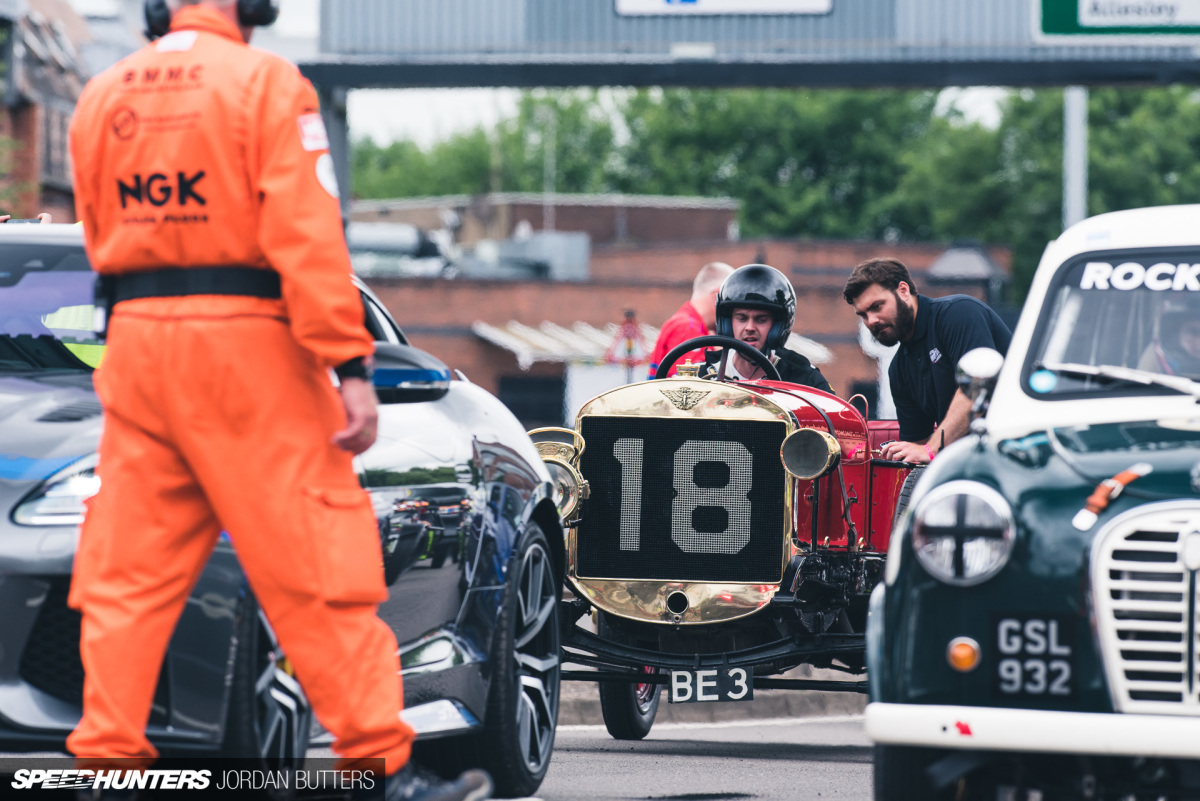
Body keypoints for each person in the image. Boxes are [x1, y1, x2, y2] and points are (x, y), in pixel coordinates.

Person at [67, 2, 490, 800]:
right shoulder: (266, 85)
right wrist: (350, 367)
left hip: (137, 348)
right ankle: (378, 771)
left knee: (124, 576)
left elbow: (95, 232)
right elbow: (307, 236)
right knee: (318, 571)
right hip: (247, 352)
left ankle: (105, 772)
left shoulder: (103, 94)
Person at [843, 258, 1011, 464]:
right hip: (969, 465)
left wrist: (931, 450)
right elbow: (916, 447)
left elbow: (977, 386)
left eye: (877, 306)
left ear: (903, 291)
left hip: (1019, 450)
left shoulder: (958, 313)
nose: (871, 321)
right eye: (863, 315)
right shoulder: (899, 370)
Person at [703, 263, 833, 392]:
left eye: (761, 320)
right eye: (742, 318)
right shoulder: (704, 376)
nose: (750, 327)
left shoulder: (805, 380)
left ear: (777, 326)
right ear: (727, 323)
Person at [647, 261, 734, 378]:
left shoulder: (685, 323)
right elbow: (692, 388)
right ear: (717, 297)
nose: (732, 314)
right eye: (731, 304)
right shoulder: (689, 328)